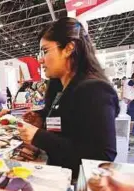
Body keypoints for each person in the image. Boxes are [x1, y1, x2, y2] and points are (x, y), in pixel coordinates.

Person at [19, 17, 119, 179]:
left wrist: (38, 136)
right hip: (59, 177)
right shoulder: (61, 88)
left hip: (77, 185)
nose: (40, 59)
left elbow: (102, 156)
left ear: (68, 48)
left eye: (45, 51)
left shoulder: (94, 90)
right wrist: (41, 118)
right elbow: (68, 126)